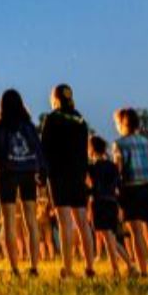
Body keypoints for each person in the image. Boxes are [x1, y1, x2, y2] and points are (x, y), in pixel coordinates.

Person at [0, 89, 46, 276]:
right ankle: (34, 267)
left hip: (7, 175)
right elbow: (39, 150)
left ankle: (15, 269)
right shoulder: (29, 126)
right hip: (28, 173)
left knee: (10, 222)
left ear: (2, 106)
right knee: (31, 221)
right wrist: (42, 174)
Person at [40, 84, 96, 278]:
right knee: (82, 221)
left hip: (58, 174)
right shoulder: (80, 119)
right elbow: (84, 150)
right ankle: (90, 267)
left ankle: (68, 268)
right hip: (77, 173)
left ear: (54, 98)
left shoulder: (52, 118)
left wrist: (41, 173)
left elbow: (44, 149)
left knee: (64, 222)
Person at [113, 108, 148, 278]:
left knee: (136, 232)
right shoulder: (146, 142)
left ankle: (143, 271)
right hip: (147, 186)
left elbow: (118, 169)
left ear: (122, 123)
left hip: (130, 188)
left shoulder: (119, 143)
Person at [87, 136, 133, 277]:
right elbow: (118, 185)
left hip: (100, 202)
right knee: (110, 236)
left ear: (92, 149)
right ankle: (129, 266)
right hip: (112, 202)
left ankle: (116, 270)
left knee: (108, 237)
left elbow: (92, 187)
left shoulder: (93, 168)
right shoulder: (112, 166)